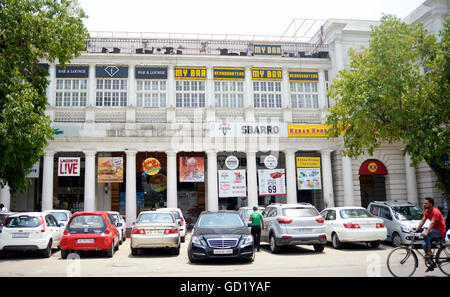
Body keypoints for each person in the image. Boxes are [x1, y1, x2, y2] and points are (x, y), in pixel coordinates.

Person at [412, 197, 446, 272]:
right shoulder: (427, 211)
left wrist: (427, 232)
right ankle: (432, 263)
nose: (424, 204)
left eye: (425, 203)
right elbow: (423, 221)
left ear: (430, 204)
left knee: (426, 234)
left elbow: (432, 223)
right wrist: (416, 230)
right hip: (433, 230)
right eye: (424, 203)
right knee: (424, 245)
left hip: (440, 231)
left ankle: (430, 252)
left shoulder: (435, 211)